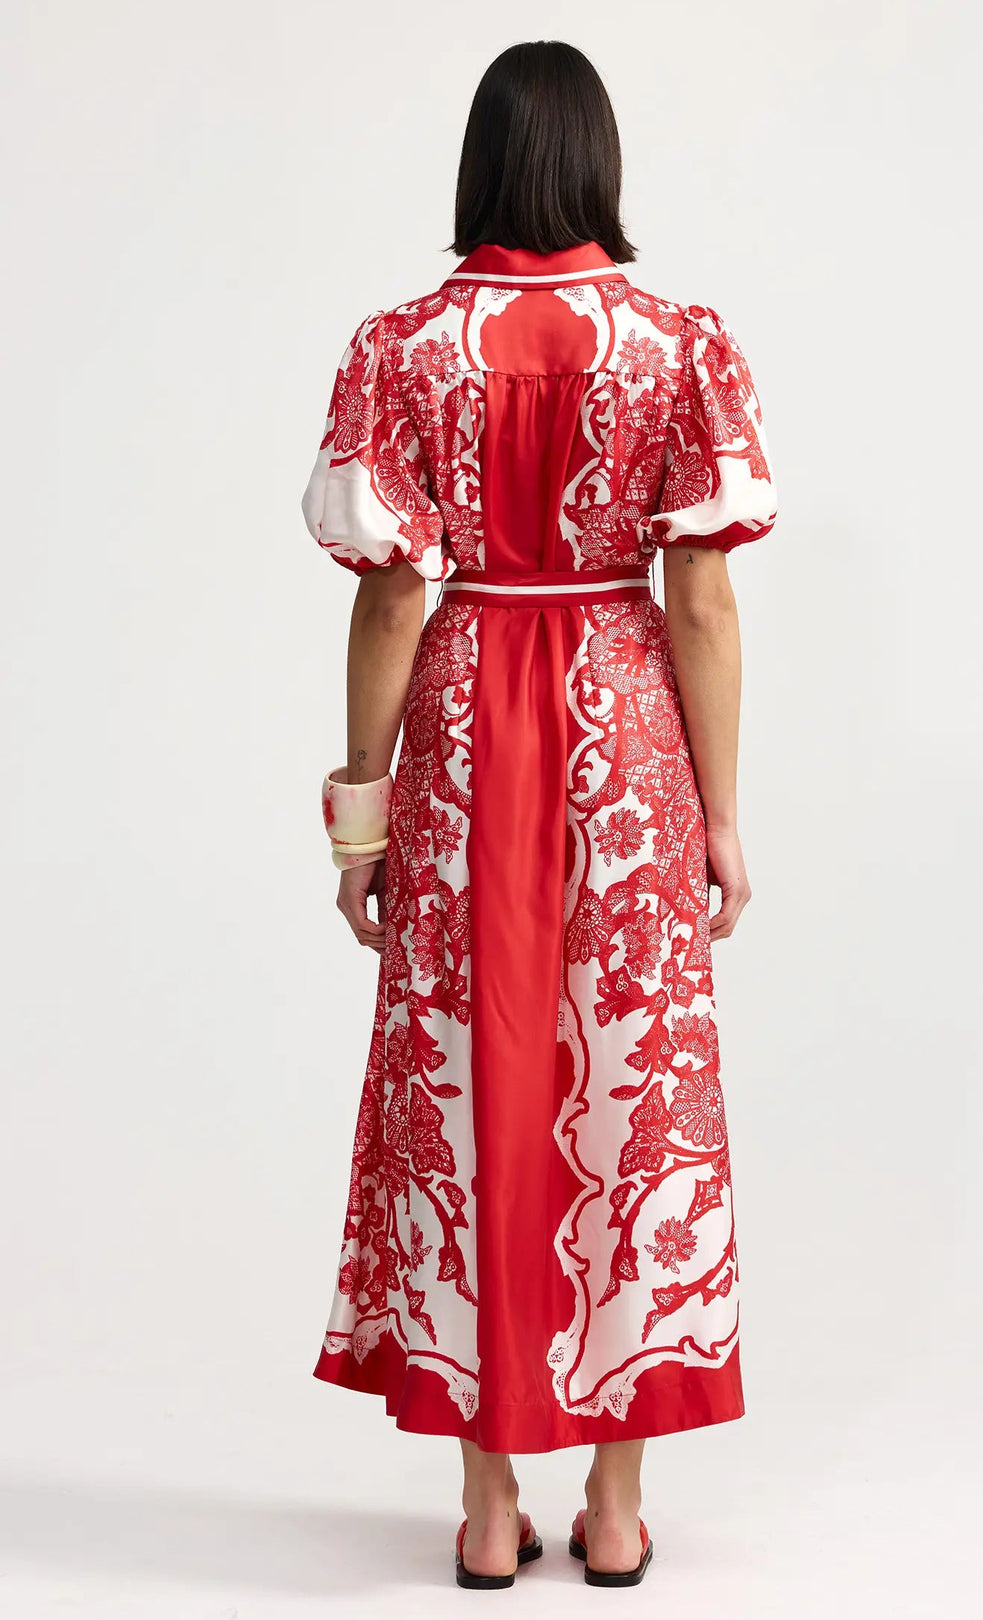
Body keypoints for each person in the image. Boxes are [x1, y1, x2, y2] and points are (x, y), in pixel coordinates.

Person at [301, 39, 777, 1590]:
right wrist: (717, 811)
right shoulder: (677, 343)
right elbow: (699, 596)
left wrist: (361, 814)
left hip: (462, 726)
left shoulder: (402, 350)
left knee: (467, 1084)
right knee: (632, 1093)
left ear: (481, 165)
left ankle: (492, 1505)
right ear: (601, 165)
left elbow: (389, 601)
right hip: (623, 735)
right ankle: (621, 1509)